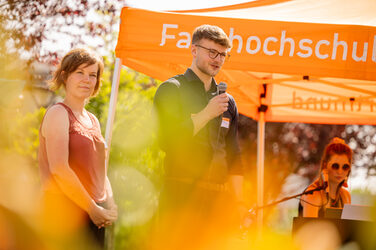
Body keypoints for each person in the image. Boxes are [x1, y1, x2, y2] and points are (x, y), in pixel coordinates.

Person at [153, 24, 245, 249]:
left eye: (223, 54)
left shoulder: (228, 101)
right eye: (212, 52)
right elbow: (166, 141)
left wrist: (240, 204)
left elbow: (233, 155)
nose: (218, 59)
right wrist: (206, 114)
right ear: (194, 50)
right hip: (180, 198)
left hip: (218, 204)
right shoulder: (171, 90)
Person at [38, 48, 117, 248]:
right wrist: (92, 209)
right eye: (80, 73)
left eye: (92, 75)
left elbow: (101, 171)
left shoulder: (93, 120)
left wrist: (110, 204)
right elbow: (60, 169)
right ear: (65, 76)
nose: (87, 80)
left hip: (94, 215)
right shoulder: (58, 113)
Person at [299, 137, 352, 218]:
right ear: (325, 165)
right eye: (335, 166)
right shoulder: (313, 195)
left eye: (345, 167)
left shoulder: (345, 196)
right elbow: (309, 229)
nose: (340, 172)